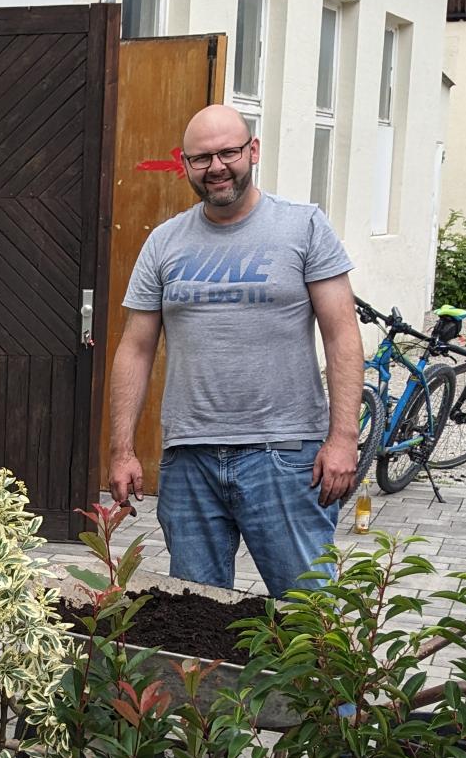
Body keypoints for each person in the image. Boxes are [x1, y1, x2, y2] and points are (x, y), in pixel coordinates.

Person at [106, 105, 363, 596]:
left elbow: (342, 335)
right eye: (203, 158)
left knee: (307, 614)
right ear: (184, 163)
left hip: (286, 455)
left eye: (229, 152)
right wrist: (122, 451)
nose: (217, 167)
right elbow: (135, 349)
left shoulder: (303, 227)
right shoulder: (164, 243)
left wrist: (344, 439)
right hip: (189, 461)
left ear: (253, 151)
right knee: (193, 619)